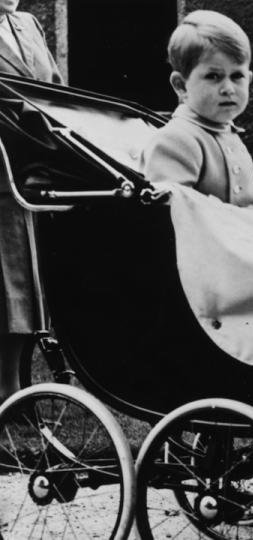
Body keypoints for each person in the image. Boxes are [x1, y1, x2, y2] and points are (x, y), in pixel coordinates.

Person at [0, 0, 64, 402]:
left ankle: (16, 387)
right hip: (2, 174)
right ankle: (5, 388)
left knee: (25, 288)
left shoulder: (27, 25)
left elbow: (55, 88)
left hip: (34, 171)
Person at [141, 10, 253, 207]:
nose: (228, 89)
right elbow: (175, 215)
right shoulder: (176, 140)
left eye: (237, 76)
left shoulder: (228, 132)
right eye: (213, 76)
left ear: (250, 79)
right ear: (181, 85)